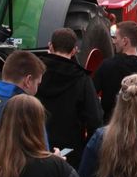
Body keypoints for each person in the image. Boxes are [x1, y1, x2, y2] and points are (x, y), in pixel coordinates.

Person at [36, 28, 104, 169]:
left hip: (36, 147)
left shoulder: (35, 74)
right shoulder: (82, 79)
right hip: (69, 152)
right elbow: (95, 119)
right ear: (74, 51)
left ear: (50, 46)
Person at [93, 21, 137, 122]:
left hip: (111, 129)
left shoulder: (107, 66)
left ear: (125, 41)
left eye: (115, 38)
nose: (113, 42)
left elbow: (91, 96)